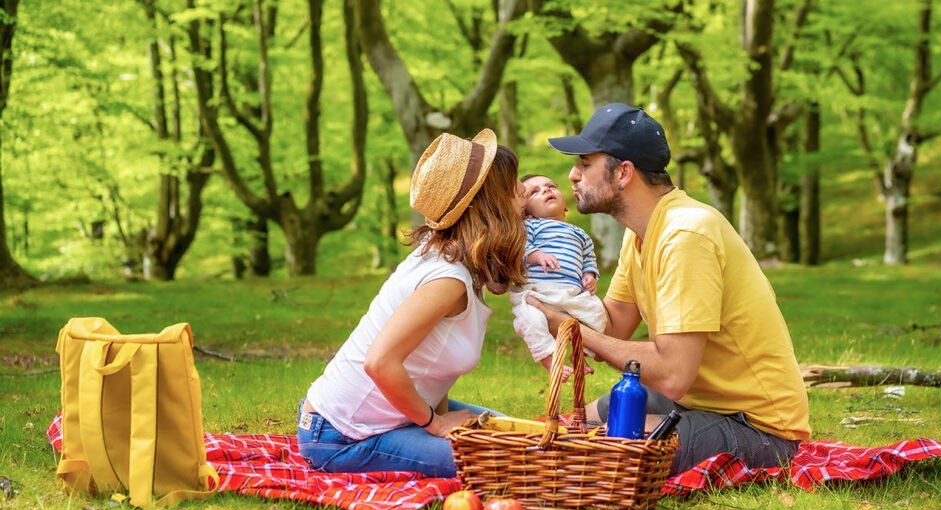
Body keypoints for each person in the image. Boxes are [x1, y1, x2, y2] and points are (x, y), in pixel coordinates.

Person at [534, 103, 811, 474]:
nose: (572, 175)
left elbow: (672, 375)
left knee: (599, 448)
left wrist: (573, 330)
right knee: (582, 421)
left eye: (585, 164)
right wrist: (546, 299)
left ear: (623, 173)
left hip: (757, 428)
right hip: (698, 403)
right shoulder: (640, 233)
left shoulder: (685, 234)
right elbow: (612, 326)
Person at [297, 129, 526, 478]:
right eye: (512, 186)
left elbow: (432, 364)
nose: (523, 191)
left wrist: (443, 419)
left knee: (516, 435)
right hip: (340, 436)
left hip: (390, 417)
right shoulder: (447, 280)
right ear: (490, 204)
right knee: (504, 462)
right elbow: (379, 361)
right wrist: (437, 424)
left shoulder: (451, 257)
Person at [509, 174, 608, 376]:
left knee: (598, 313)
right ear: (526, 213)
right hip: (536, 293)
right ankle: (550, 359)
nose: (546, 190)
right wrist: (536, 255)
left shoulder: (580, 234)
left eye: (551, 186)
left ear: (565, 207)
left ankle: (580, 354)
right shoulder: (529, 226)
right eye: (534, 192)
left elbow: (588, 257)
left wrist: (590, 274)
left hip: (571, 295)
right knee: (532, 320)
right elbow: (518, 246)